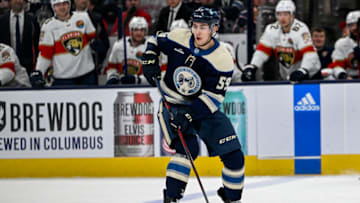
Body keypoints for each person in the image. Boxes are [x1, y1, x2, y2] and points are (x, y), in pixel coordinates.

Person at [142, 7, 245, 203]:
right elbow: (155, 39)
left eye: (203, 27)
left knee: (235, 157)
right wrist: (149, 57)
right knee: (187, 149)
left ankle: (232, 198)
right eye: (195, 26)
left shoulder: (222, 59)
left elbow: (213, 98)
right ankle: (171, 198)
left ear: (214, 29)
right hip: (172, 103)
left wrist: (189, 115)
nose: (197, 31)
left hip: (202, 108)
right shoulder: (179, 36)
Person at [241, 0, 320, 82]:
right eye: (279, 14)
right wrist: (253, 66)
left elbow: (309, 53)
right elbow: (262, 51)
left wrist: (304, 69)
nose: (282, 18)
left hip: (309, 74)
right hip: (288, 76)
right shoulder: (271, 29)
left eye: (286, 14)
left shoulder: (301, 29)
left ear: (292, 15)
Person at [30, 0, 97, 88]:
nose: (62, 7)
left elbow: (92, 38)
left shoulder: (83, 17)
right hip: (63, 79)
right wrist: (39, 71)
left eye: (64, 4)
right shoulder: (48, 26)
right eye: (58, 5)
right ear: (53, 7)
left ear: (69, 4)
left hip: (87, 75)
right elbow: (45, 54)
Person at [0, 0, 40, 76]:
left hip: (28, 67)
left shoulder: (32, 20)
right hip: (5, 65)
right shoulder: (2, 21)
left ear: (25, 2)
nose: (17, 1)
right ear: (10, 1)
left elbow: (37, 43)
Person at [106, 16, 149, 85]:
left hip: (143, 89)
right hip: (122, 88)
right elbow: (112, 67)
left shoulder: (152, 48)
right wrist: (113, 77)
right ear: (131, 31)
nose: (139, 33)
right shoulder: (119, 45)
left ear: (145, 31)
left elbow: (156, 75)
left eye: (142, 30)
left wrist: (137, 79)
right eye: (136, 30)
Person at [323, 11, 360, 80]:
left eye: (356, 25)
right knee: (327, 73)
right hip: (349, 77)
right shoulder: (341, 43)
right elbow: (337, 65)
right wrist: (344, 76)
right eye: (350, 25)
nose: (354, 28)